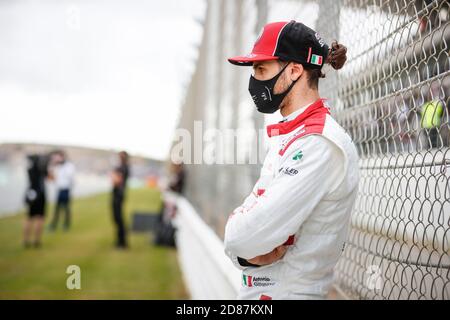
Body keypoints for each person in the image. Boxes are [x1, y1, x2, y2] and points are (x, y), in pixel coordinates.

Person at [223, 20, 360, 300]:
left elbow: (241, 237)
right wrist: (246, 256)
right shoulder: (294, 134)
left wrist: (240, 240)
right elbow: (244, 244)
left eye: (261, 69)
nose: (254, 81)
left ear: (295, 70)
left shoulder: (318, 143)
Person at [24, 153, 49, 248]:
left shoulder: (29, 169)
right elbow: (48, 176)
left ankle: (26, 241)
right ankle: (36, 241)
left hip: (31, 194)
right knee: (40, 218)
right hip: (41, 196)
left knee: (29, 218)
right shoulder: (41, 170)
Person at [49, 150, 75, 231]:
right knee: (57, 209)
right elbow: (52, 178)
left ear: (62, 157)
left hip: (66, 190)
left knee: (66, 208)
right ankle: (54, 225)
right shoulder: (56, 166)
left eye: (58, 157)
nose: (56, 159)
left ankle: (66, 225)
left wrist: (60, 166)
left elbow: (70, 177)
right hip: (59, 190)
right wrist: (53, 167)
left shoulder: (69, 165)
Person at [111, 151, 129, 249]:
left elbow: (117, 181)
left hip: (119, 195)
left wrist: (113, 175)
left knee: (119, 219)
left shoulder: (123, 167)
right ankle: (120, 241)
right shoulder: (122, 166)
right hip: (117, 194)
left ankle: (122, 243)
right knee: (117, 219)